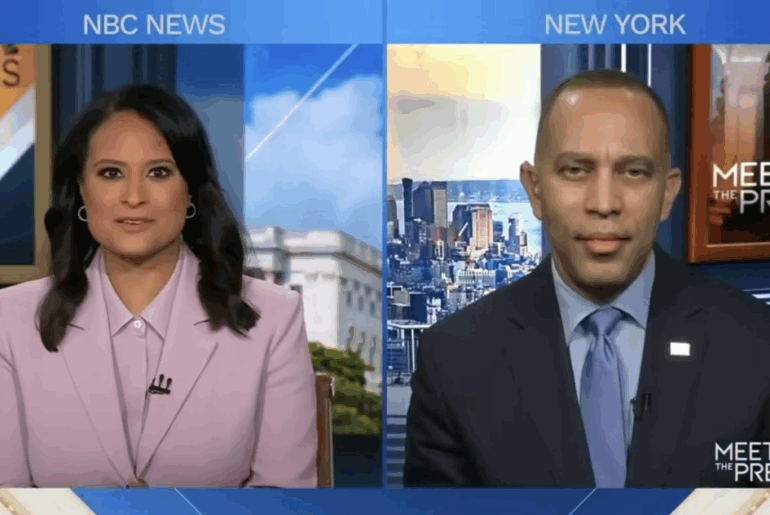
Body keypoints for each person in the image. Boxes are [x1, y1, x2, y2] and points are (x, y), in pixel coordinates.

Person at [403, 69, 770, 488]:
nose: (604, 203)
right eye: (576, 170)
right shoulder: (455, 360)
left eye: (634, 172)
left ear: (667, 194)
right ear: (535, 190)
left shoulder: (756, 346)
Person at [0, 85, 318, 487]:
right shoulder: (10, 320)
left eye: (159, 173)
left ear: (190, 189)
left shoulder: (273, 317)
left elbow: (283, 499)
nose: (134, 197)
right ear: (81, 188)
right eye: (111, 173)